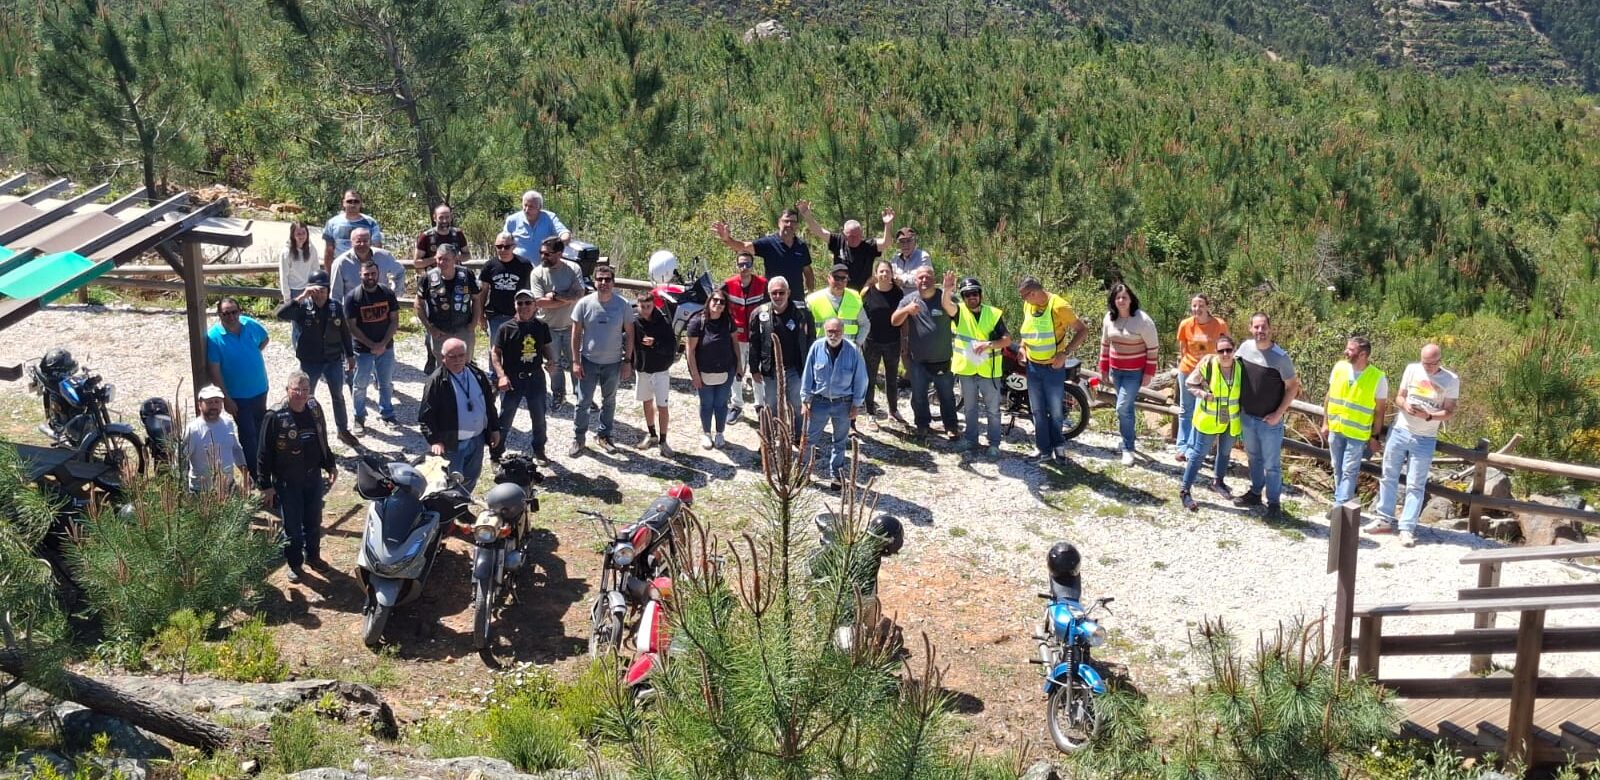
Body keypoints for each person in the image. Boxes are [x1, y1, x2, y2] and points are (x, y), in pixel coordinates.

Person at [1365, 343, 1458, 548]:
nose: (1428, 368)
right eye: (1425, 363)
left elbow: (1450, 410)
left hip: (1425, 437)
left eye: (1432, 364)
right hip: (1400, 430)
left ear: (1439, 361)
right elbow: (1399, 396)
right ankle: (1384, 518)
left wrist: (1430, 416)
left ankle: (1407, 527)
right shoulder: (1412, 369)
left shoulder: (1450, 380)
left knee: (1415, 484)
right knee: (1388, 475)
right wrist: (1404, 404)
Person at [256, 371, 337, 584]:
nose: (300, 394)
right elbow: (263, 452)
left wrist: (330, 464)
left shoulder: (314, 408)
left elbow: (323, 437)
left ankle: (314, 557)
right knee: (292, 527)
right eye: (296, 389)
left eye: (305, 390)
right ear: (287, 390)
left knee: (313, 521)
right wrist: (265, 485)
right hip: (287, 482)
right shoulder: (274, 416)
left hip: (313, 478)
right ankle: (294, 564)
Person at [274, 270, 358, 447]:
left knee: (338, 395)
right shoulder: (303, 308)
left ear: (328, 290)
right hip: (310, 361)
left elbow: (344, 332)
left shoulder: (336, 306)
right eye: (316, 290)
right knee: (305, 396)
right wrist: (302, 296)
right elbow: (280, 314)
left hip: (333, 359)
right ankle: (304, 429)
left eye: (323, 290)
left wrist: (350, 355)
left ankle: (342, 430)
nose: (319, 294)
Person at [1232, 313, 1301, 520]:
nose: (1260, 331)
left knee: (1272, 465)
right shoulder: (1244, 348)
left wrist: (1278, 414)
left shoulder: (1280, 357)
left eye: (1263, 327)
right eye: (1256, 327)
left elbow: (1292, 387)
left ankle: (1273, 504)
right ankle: (1255, 493)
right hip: (1248, 416)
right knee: (1253, 458)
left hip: (1269, 422)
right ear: (1250, 328)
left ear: (1270, 329)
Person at [1018, 276, 1089, 463]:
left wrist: (1064, 353)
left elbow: (1082, 331)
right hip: (1033, 366)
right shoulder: (1029, 306)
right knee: (1037, 411)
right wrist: (1022, 347)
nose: (1023, 301)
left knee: (1056, 411)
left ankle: (1059, 446)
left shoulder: (1060, 306)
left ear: (1033, 293)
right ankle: (1043, 450)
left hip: (1053, 367)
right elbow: (1029, 330)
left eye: (1024, 296)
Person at [420, 338, 502, 492]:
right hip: (452, 443)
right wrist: (435, 440)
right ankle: (447, 513)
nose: (457, 360)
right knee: (449, 481)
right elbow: (426, 416)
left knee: (471, 477)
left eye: (461, 355)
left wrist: (494, 429)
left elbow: (489, 405)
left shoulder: (477, 374)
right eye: (452, 356)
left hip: (476, 439)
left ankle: (462, 508)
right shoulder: (436, 381)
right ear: (443, 358)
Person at [569, 265, 635, 457]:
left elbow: (630, 335)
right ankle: (579, 438)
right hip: (588, 361)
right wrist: (575, 361)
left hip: (613, 363)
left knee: (610, 401)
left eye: (608, 279)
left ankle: (604, 435)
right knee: (583, 402)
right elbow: (575, 334)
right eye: (600, 279)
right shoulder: (583, 304)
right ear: (595, 281)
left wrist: (627, 360)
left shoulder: (623, 305)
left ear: (613, 282)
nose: (604, 283)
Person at [800, 317, 868, 490]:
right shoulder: (816, 347)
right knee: (809, 439)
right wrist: (805, 400)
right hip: (819, 402)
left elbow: (861, 379)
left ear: (843, 332)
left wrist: (856, 404)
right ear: (825, 331)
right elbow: (808, 374)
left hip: (843, 404)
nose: (833, 334)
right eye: (830, 331)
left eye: (837, 331)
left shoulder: (853, 350)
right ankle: (803, 473)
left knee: (839, 441)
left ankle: (836, 475)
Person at [892, 267, 960, 441]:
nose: (924, 280)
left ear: (934, 278)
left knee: (947, 396)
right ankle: (922, 425)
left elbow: (957, 315)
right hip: (918, 361)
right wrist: (906, 310)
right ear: (915, 281)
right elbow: (894, 321)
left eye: (927, 277)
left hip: (942, 359)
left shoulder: (945, 298)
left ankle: (951, 427)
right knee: (919, 396)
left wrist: (948, 290)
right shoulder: (909, 299)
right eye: (920, 277)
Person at [206, 298, 270, 476]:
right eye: (226, 313)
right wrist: (226, 398)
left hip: (260, 388)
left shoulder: (250, 325)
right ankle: (255, 473)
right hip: (237, 396)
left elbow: (264, 340)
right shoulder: (214, 337)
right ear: (220, 315)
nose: (231, 316)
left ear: (239, 312)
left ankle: (266, 466)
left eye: (234, 312)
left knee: (261, 430)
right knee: (248, 435)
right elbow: (215, 371)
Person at [1098, 283, 1160, 466]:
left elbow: (1153, 348)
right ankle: (1127, 440)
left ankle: (1128, 448)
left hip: (1134, 373)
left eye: (1124, 297)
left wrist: (1149, 373)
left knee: (1122, 407)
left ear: (1131, 299)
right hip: (1116, 371)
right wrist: (1103, 367)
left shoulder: (1143, 320)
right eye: (1118, 297)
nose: (1121, 301)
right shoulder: (1109, 318)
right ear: (1113, 300)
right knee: (1127, 408)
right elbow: (1105, 344)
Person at [492, 290, 556, 465]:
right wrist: (501, 376)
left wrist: (551, 360)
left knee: (539, 418)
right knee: (505, 418)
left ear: (535, 305)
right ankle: (496, 454)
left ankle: (539, 450)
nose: (524, 307)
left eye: (528, 302)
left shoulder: (541, 326)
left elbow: (546, 346)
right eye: (520, 303)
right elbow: (495, 353)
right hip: (513, 379)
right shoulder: (505, 328)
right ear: (515, 305)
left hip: (535, 377)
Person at [747, 276, 815, 437]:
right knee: (770, 405)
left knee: (797, 404)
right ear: (769, 294)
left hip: (795, 368)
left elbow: (811, 338)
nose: (778, 296)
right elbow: (753, 343)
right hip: (770, 369)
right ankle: (770, 437)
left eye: (781, 292)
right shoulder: (759, 314)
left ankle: (799, 437)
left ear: (788, 292)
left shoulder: (802, 312)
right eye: (774, 293)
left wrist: (811, 366)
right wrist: (754, 368)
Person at [1323, 336, 1388, 505]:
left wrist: (1375, 437)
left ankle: (1339, 506)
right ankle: (1343, 503)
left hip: (1358, 434)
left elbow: (1380, 411)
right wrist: (1325, 423)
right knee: (1337, 468)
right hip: (1336, 428)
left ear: (1363, 355)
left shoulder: (1378, 377)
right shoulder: (1339, 368)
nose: (1346, 352)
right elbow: (1329, 397)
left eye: (1351, 350)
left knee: (1349, 470)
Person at [1179, 334, 1241, 511]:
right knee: (1198, 455)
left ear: (1234, 350)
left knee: (1225, 452)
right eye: (1221, 351)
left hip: (1230, 418)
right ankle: (1185, 490)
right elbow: (1190, 383)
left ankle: (1218, 481)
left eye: (1229, 350)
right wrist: (1204, 395)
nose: (1225, 354)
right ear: (1216, 351)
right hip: (1209, 419)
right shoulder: (1208, 364)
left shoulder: (1239, 367)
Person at [951, 276, 1011, 457]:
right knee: (970, 408)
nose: (972, 297)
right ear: (962, 297)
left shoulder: (993, 314)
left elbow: (1007, 340)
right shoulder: (958, 312)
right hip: (967, 369)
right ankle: (971, 440)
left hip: (989, 371)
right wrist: (947, 289)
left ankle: (994, 444)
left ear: (980, 295)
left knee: (993, 410)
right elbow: (946, 304)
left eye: (975, 293)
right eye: (967, 294)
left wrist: (988, 344)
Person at [528, 236, 585, 409]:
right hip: (548, 327)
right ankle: (558, 394)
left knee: (576, 360)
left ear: (559, 253)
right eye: (541, 253)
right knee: (554, 364)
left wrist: (555, 296)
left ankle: (581, 394)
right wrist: (567, 298)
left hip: (571, 326)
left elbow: (579, 294)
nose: (543, 257)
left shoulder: (573, 268)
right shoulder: (537, 273)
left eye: (547, 254)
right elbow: (539, 301)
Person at [345, 261, 401, 429]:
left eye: (373, 274)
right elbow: (352, 327)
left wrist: (382, 344)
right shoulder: (353, 297)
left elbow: (394, 321)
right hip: (362, 349)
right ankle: (359, 416)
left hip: (386, 347)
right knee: (360, 385)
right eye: (366, 274)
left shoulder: (387, 293)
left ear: (378, 274)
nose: (370, 277)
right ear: (360, 275)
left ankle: (387, 413)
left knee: (386, 383)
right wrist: (371, 345)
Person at [1175, 295, 1228, 463]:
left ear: (1207, 306)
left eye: (1201, 306)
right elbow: (1183, 349)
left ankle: (1193, 448)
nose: (1197, 309)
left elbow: (1226, 347)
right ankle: (1181, 446)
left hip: (1209, 374)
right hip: (1188, 370)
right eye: (1194, 306)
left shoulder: (1219, 325)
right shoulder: (1186, 324)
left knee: (1201, 411)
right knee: (1185, 409)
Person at [712, 208, 814, 295]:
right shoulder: (769, 243)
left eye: (793, 222)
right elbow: (743, 246)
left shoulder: (801, 246)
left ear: (797, 225)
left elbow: (807, 271)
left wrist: (810, 292)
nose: (789, 224)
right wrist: (727, 239)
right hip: (774, 299)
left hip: (797, 300)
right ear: (779, 222)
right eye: (786, 221)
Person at [480, 231, 537, 386]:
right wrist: (480, 316)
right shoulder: (490, 266)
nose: (503, 250)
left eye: (506, 246)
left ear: (514, 246)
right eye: (499, 246)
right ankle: (495, 379)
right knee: (495, 348)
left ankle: (519, 377)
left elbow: (531, 291)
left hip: (519, 315)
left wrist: (531, 314)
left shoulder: (524, 264)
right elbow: (483, 292)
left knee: (520, 347)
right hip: (496, 314)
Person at [687, 291, 741, 450]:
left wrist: (739, 365)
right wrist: (695, 374)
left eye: (722, 302)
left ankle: (719, 433)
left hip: (726, 370)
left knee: (721, 403)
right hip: (704, 371)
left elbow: (735, 344)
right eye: (715, 300)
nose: (718, 304)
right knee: (706, 404)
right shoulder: (697, 322)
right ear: (709, 302)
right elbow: (690, 351)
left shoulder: (729, 322)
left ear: (725, 306)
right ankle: (706, 433)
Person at [796, 200, 892, 288]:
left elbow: (886, 243)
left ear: (861, 234)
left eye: (857, 235)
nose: (854, 239)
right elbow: (818, 231)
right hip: (840, 291)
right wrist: (807, 215)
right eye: (851, 236)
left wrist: (888, 224)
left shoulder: (869, 245)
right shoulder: (838, 241)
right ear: (844, 235)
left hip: (863, 293)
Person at [416, 245, 482, 374]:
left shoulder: (467, 275)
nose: (442, 262)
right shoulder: (427, 278)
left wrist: (473, 324)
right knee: (443, 369)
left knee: (465, 365)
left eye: (446, 259)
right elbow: (418, 304)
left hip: (463, 328)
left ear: (455, 259)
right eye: (439, 258)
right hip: (439, 331)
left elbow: (476, 300)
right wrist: (430, 328)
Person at [722, 252, 767, 423]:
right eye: (741, 264)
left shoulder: (763, 284)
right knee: (736, 371)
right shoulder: (728, 284)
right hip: (737, 336)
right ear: (736, 265)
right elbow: (716, 302)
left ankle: (760, 406)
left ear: (752, 265)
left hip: (759, 336)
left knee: (759, 371)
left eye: (747, 264)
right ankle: (737, 406)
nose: (744, 268)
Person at [632, 288, 678, 456]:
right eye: (642, 306)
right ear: (637, 305)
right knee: (646, 401)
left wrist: (655, 343)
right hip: (643, 368)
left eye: (648, 306)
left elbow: (672, 347)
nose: (645, 310)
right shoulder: (634, 321)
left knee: (662, 406)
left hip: (660, 370)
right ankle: (651, 435)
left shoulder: (664, 321)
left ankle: (663, 441)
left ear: (653, 305)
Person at [860, 259, 906, 425]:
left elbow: (903, 318)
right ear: (876, 274)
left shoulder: (898, 293)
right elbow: (861, 317)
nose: (884, 274)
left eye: (887, 271)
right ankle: (870, 412)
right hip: (871, 342)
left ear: (892, 274)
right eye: (881, 271)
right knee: (870, 378)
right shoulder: (867, 292)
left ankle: (893, 410)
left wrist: (905, 341)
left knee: (892, 379)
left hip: (892, 342)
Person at [183, 384, 250, 494]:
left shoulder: (228, 423)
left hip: (228, 488)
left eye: (217, 402)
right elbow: (181, 461)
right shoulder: (193, 430)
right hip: (202, 492)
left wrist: (245, 475)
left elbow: (236, 450)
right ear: (200, 405)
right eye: (209, 402)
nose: (214, 406)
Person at [328, 227, 406, 305]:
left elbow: (400, 272)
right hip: (354, 309)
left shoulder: (384, 256)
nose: (362, 244)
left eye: (365, 241)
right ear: (351, 243)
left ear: (370, 241)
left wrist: (393, 296)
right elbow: (335, 294)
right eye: (358, 241)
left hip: (381, 307)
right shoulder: (340, 263)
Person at [805, 263, 870, 344]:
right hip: (823, 350)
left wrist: (857, 344)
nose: (840, 282)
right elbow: (804, 328)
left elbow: (865, 324)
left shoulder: (855, 298)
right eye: (836, 278)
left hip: (848, 350)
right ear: (828, 278)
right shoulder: (813, 299)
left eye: (843, 278)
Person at [279, 221, 319, 346]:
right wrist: (287, 297)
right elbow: (283, 276)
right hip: (294, 291)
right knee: (297, 324)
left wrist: (316, 287)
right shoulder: (286, 252)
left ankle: (310, 348)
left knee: (311, 321)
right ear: (292, 235)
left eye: (303, 233)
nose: (301, 236)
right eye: (298, 233)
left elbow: (315, 269)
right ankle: (298, 350)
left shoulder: (311, 249)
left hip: (309, 289)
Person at [322, 189, 383, 272]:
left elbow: (377, 249)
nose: (353, 204)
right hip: (340, 268)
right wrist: (329, 275)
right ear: (343, 203)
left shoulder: (371, 223)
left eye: (356, 201)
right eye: (349, 201)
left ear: (361, 203)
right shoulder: (332, 223)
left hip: (364, 270)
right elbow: (328, 252)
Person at [504, 190, 571, 263]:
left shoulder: (550, 218)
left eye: (531, 206)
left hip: (544, 267)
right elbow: (503, 241)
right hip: (519, 268)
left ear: (540, 207)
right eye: (525, 205)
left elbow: (565, 233)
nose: (526, 210)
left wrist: (556, 246)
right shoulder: (512, 220)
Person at [413, 203, 468, 272]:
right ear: (434, 218)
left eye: (447, 217)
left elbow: (467, 255)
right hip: (434, 278)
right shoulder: (426, 237)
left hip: (455, 277)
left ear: (451, 217)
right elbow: (416, 263)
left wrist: (455, 257)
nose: (444, 221)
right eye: (441, 217)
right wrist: (437, 258)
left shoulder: (458, 233)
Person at [889, 227, 931, 294]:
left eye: (908, 241)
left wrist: (903, 280)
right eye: (902, 242)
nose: (905, 245)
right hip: (897, 298)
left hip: (917, 299)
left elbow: (925, 278)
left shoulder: (923, 256)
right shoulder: (895, 258)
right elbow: (890, 274)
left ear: (915, 242)